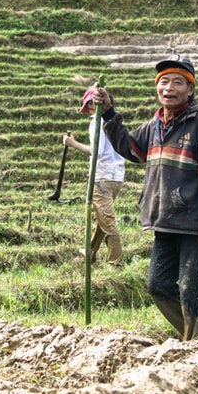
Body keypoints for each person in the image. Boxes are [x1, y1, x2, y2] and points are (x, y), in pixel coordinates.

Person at [92, 55, 198, 341]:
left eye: (177, 82)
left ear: (190, 90)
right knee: (158, 285)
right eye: (164, 82)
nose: (169, 88)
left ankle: (197, 344)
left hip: (195, 223)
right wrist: (109, 114)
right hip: (164, 220)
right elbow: (132, 149)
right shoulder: (156, 124)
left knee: (192, 291)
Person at [63, 85, 126, 266]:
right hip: (116, 177)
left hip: (102, 177)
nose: (88, 109)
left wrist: (72, 143)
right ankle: (89, 253)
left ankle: (116, 262)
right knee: (101, 217)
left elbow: (96, 152)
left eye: (89, 105)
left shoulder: (96, 122)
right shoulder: (115, 121)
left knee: (107, 220)